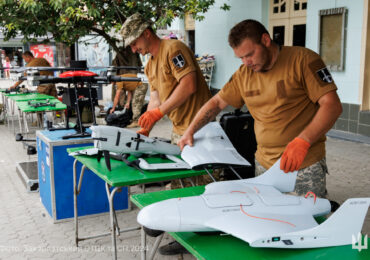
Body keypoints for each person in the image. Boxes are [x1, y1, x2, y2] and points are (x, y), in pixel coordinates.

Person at [179, 19, 342, 198]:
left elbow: (332, 105)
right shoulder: (244, 74)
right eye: (241, 58)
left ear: (265, 40)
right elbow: (217, 103)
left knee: (307, 223)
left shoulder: (303, 60)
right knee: (270, 221)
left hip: (303, 165)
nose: (246, 62)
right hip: (264, 165)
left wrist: (304, 141)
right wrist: (190, 131)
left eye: (249, 54)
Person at [120, 12, 213, 255]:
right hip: (178, 130)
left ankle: (200, 241)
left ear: (147, 33)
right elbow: (156, 96)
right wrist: (147, 123)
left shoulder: (173, 49)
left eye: (134, 42)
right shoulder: (150, 62)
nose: (133, 48)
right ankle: (184, 236)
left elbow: (189, 84)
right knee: (182, 183)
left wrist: (158, 112)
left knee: (199, 188)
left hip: (200, 129)